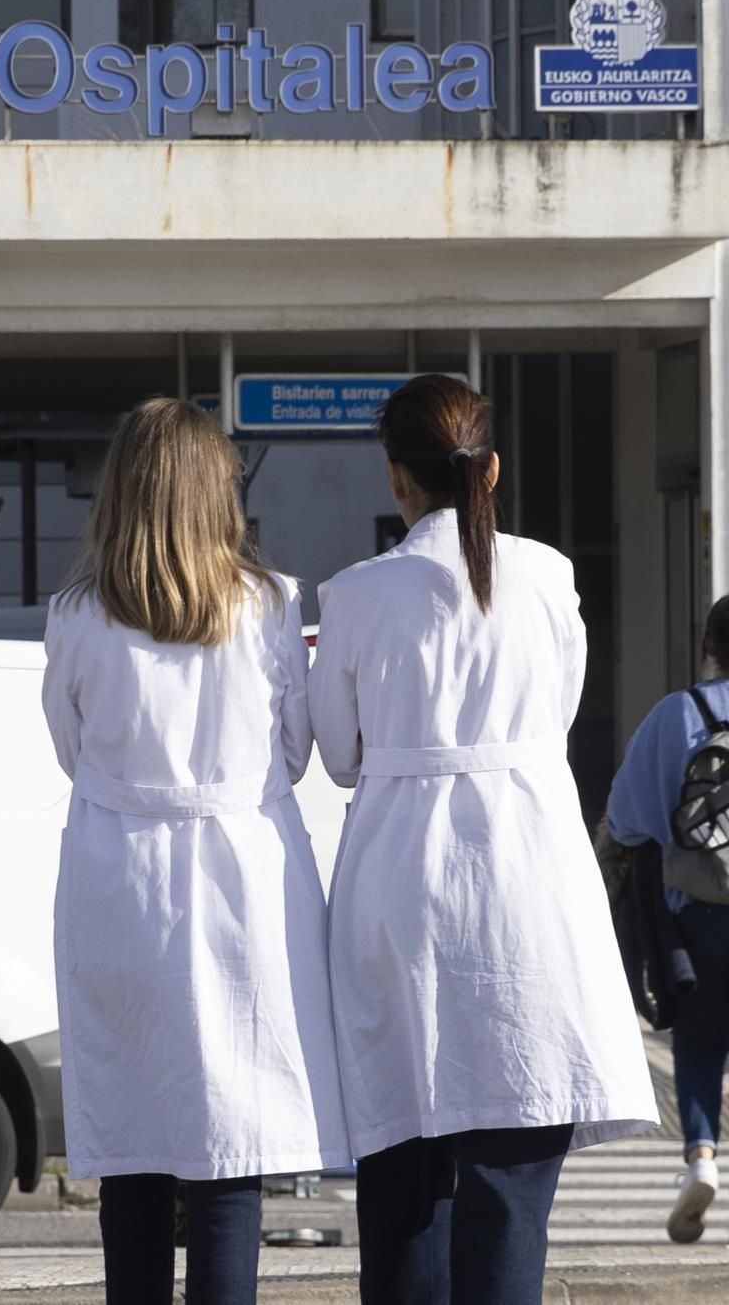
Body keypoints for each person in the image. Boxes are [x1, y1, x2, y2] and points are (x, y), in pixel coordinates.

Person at [309, 374, 657, 1304]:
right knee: (509, 1177)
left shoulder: (354, 595)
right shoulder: (549, 576)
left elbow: (338, 757)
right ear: (491, 469)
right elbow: (563, 713)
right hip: (525, 879)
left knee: (399, 1177)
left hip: (396, 886)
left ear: (397, 480)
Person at [40, 398, 350, 1305]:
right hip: (243, 871)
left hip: (119, 877)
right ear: (220, 490)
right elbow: (294, 750)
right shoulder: (272, 602)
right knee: (234, 1139)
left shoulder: (76, 614)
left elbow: (72, 745)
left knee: (133, 1133)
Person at [606, 593, 729, 1243]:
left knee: (700, 1042)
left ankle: (701, 1158)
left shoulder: (675, 715)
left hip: (696, 917)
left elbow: (624, 818)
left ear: (710, 646)